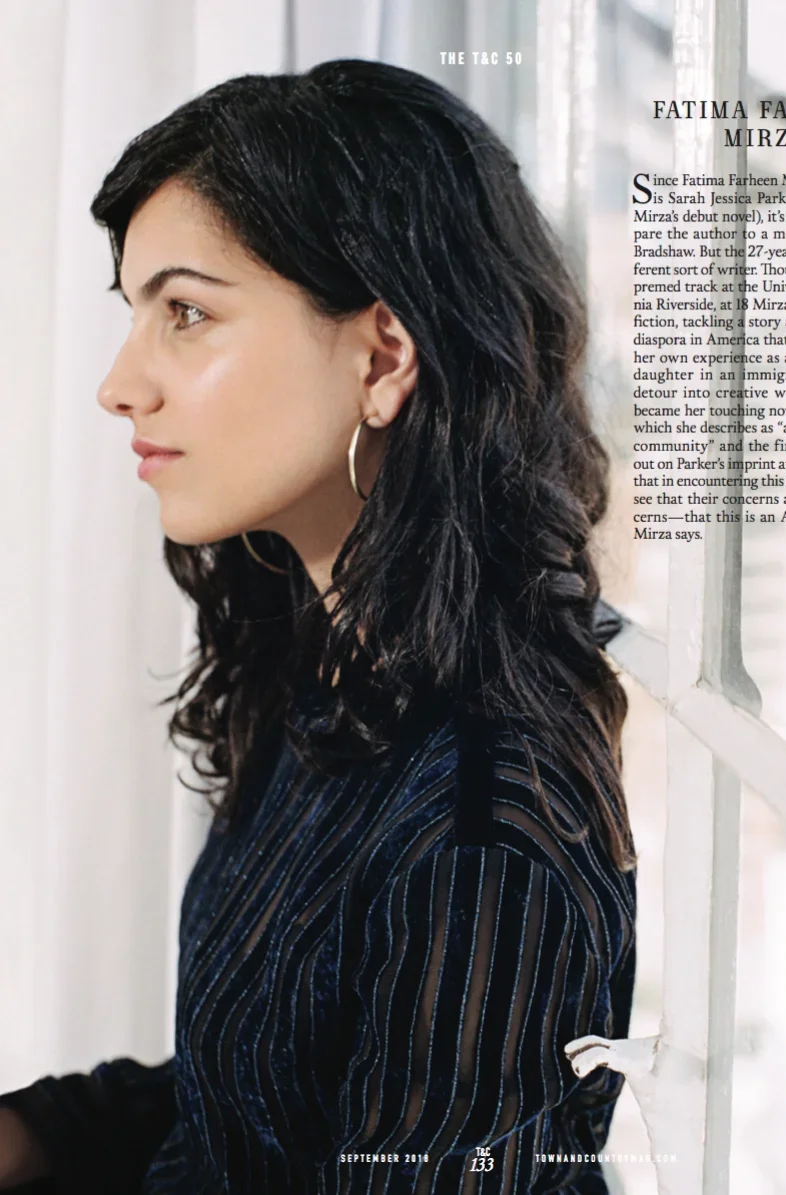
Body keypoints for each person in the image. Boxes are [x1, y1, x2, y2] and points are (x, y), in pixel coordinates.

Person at [0, 59, 637, 1193]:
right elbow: (250, 1093)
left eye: (185, 312)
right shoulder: (333, 668)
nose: (118, 384)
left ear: (382, 355)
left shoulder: (483, 840)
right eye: (136, 313)